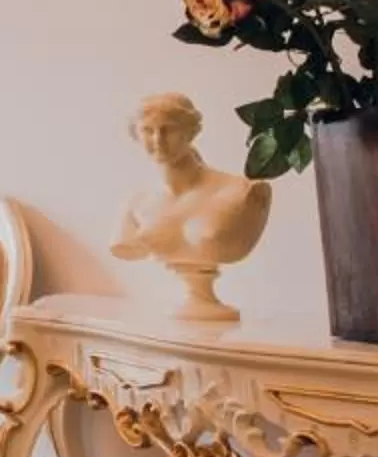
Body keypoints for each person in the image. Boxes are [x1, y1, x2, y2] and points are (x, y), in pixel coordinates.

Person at [111, 92, 271, 320]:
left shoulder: (239, 191)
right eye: (147, 130)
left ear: (192, 132)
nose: (158, 140)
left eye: (170, 129)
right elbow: (123, 245)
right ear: (135, 135)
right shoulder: (137, 204)